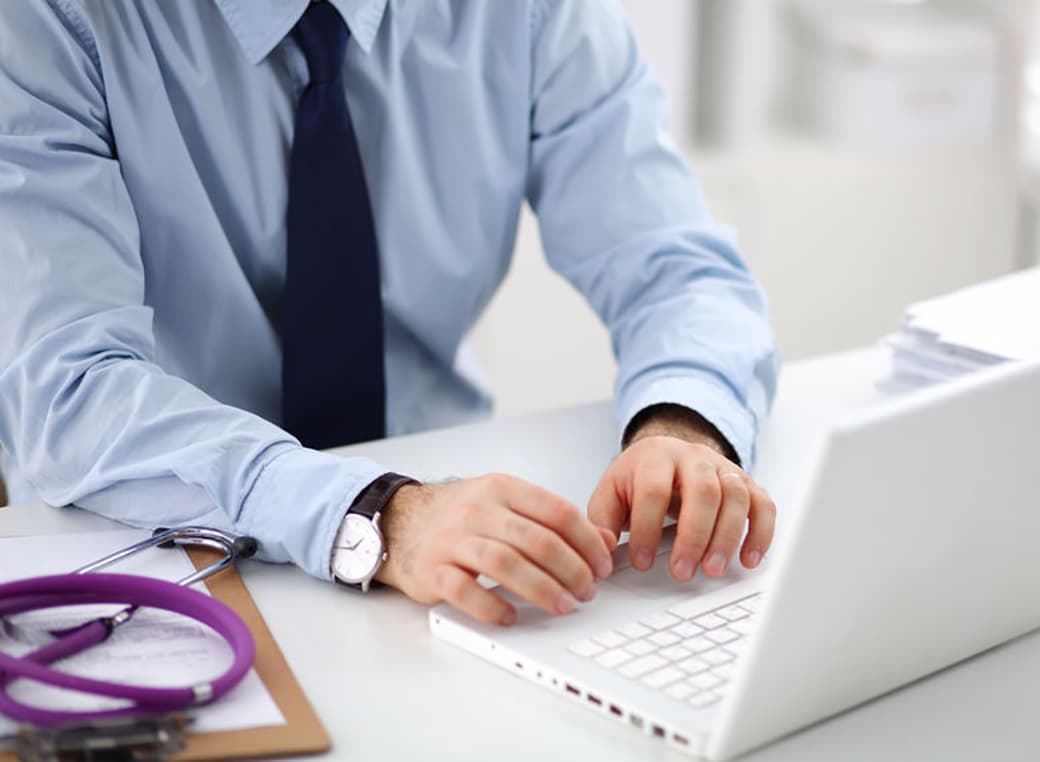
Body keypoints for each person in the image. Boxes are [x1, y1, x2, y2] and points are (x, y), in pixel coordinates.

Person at [0, 0, 778, 626]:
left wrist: (681, 424)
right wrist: (376, 516)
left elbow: (675, 266)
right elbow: (64, 389)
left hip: (446, 530)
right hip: (154, 548)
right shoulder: (46, 23)